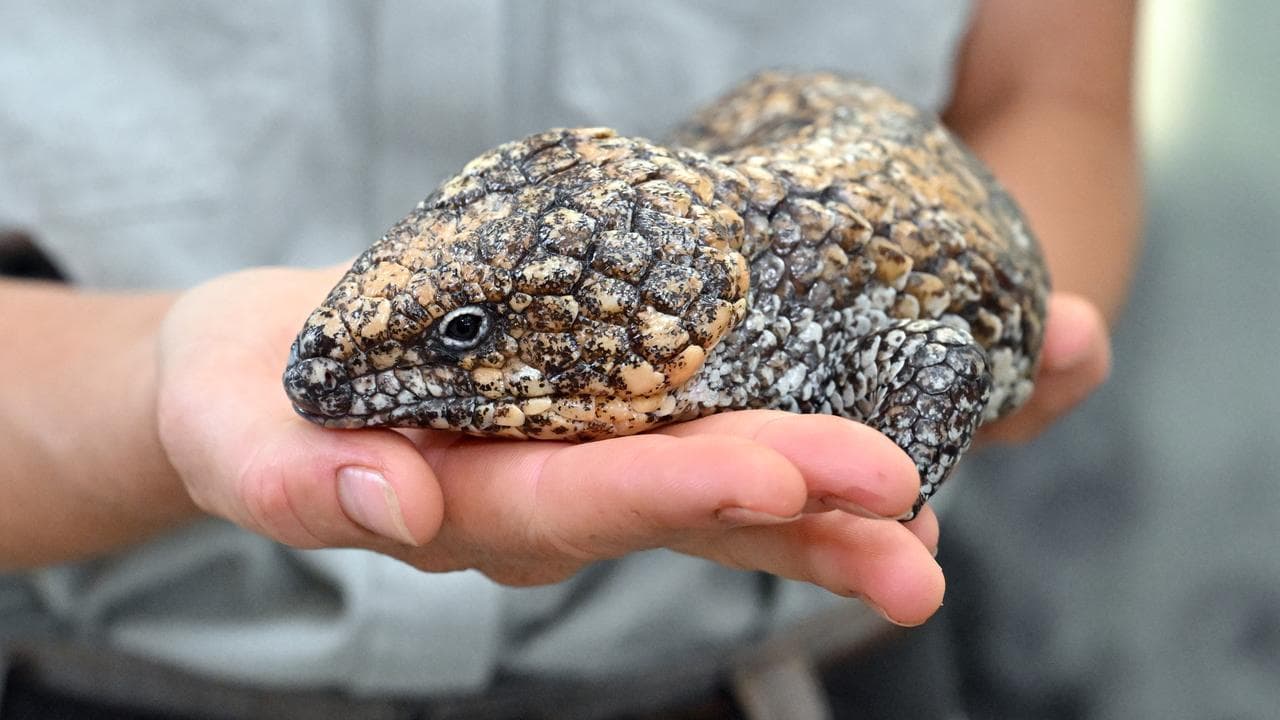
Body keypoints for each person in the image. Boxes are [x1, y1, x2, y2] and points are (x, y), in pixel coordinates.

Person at [0, 0, 1136, 716]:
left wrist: (979, 376)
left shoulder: (772, 304)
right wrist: (146, 384)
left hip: (798, 681)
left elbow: (1052, 103)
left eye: (464, 341)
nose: (345, 383)